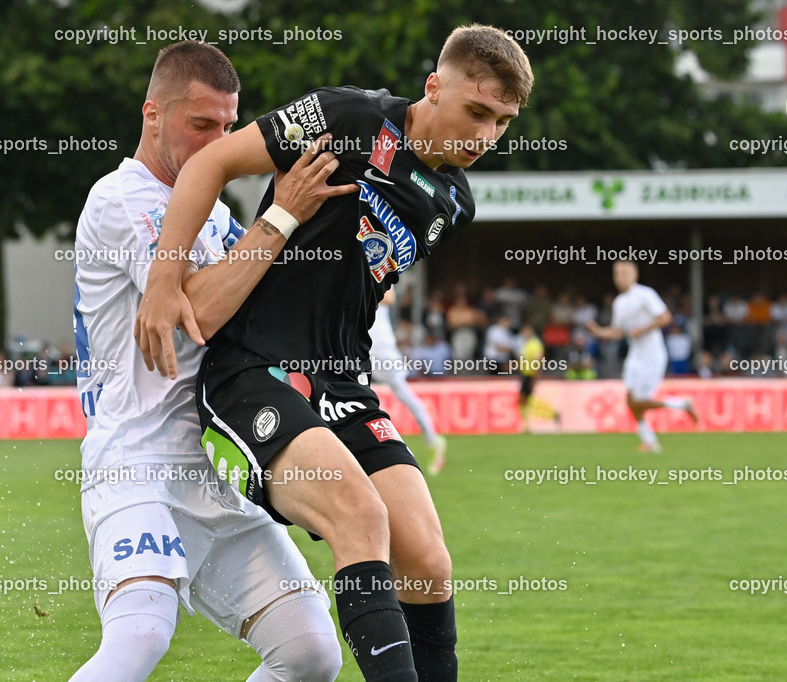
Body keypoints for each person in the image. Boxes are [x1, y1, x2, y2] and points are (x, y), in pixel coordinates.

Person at [137, 24, 534, 681]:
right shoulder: (348, 117)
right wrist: (164, 276)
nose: (486, 135)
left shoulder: (454, 203)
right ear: (434, 87)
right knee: (360, 516)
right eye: (476, 111)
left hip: (344, 384)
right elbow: (211, 164)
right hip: (254, 370)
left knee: (429, 564)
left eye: (502, 123)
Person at [70, 41, 354, 681]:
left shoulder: (214, 214)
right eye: (200, 124)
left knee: (310, 653)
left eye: (228, 128)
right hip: (140, 462)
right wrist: (282, 216)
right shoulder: (123, 198)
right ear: (152, 115)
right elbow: (199, 310)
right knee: (140, 634)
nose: (217, 144)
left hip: (221, 467)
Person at [587, 261, 697, 452]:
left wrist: (643, 329)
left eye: (625, 273)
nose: (621, 277)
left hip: (653, 355)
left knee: (640, 402)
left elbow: (665, 317)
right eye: (617, 274)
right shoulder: (619, 302)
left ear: (635, 275)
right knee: (631, 402)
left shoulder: (645, 294)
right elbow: (618, 331)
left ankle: (681, 405)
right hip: (635, 355)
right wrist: (599, 331)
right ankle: (649, 441)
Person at [369, 289, 447, 474]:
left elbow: (389, 297)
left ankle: (432, 439)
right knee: (360, 391)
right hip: (360, 346)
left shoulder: (374, 273)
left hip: (381, 347)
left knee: (402, 393)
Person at [515, 323, 559, 431]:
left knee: (528, 399)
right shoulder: (526, 343)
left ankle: (552, 415)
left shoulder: (535, 343)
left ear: (531, 332)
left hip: (531, 374)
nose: (524, 334)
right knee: (524, 399)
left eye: (526, 331)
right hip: (525, 374)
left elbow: (538, 360)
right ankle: (526, 423)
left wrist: (536, 374)